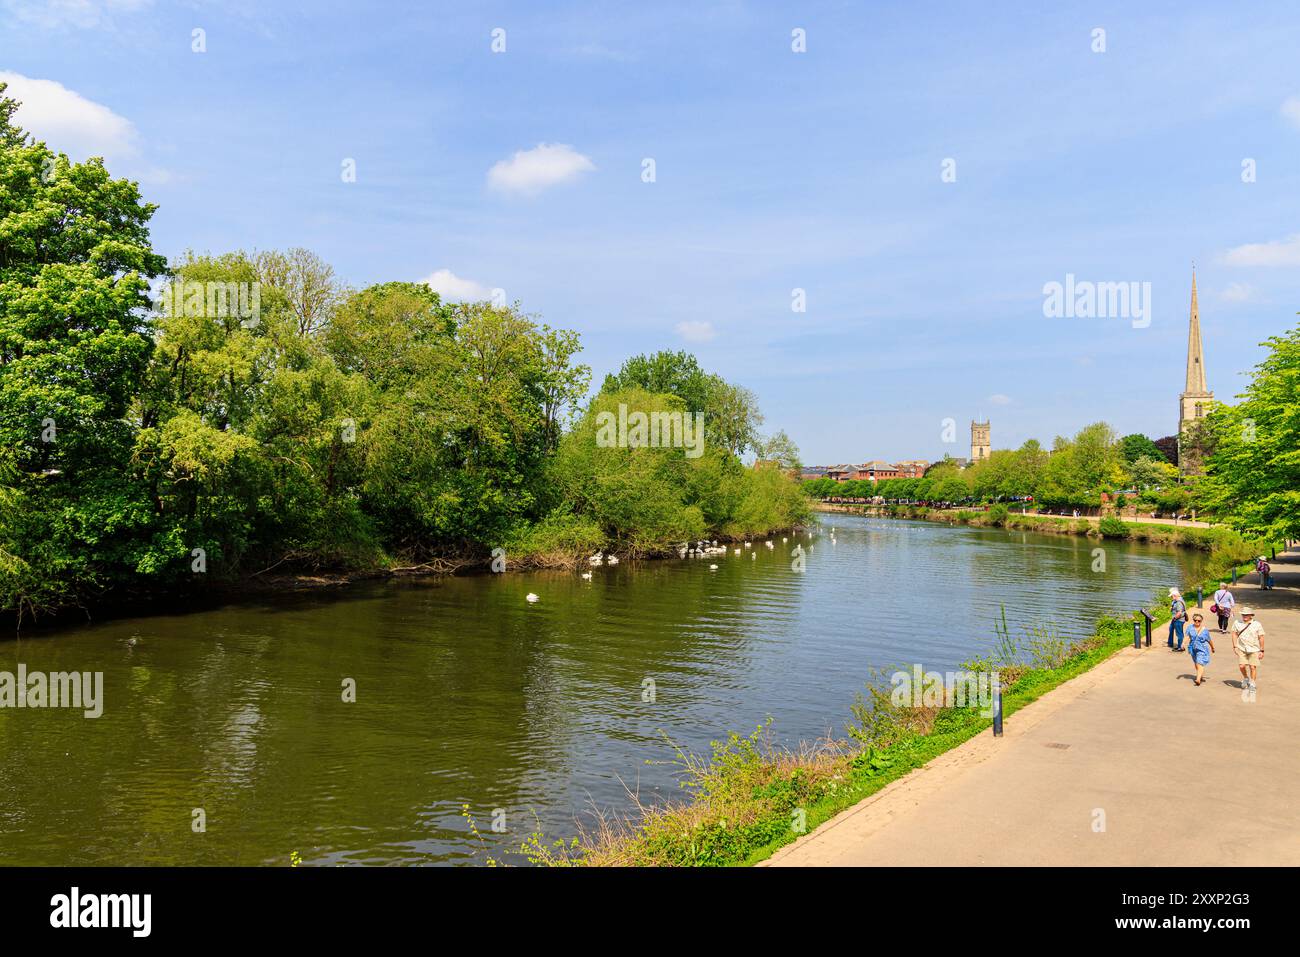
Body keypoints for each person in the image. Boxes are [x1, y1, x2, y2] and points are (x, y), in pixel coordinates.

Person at [1231, 607, 1265, 695]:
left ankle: (1252, 683)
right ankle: (1246, 678)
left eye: (1246, 614)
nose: (1244, 616)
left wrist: (1262, 650)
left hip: (1254, 649)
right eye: (1243, 614)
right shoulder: (1237, 623)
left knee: (1252, 667)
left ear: (1251, 615)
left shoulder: (1257, 624)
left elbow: (1261, 637)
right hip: (1242, 648)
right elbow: (1234, 634)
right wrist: (1235, 646)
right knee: (1242, 666)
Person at [1185, 613, 1214, 686]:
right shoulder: (1190, 628)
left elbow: (1209, 640)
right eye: (1195, 620)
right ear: (1193, 620)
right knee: (1196, 663)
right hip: (1192, 648)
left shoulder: (1205, 630)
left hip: (1202, 649)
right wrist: (1183, 643)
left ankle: (1198, 679)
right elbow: (1187, 636)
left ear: (1201, 621)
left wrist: (1212, 647)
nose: (1197, 622)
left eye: (1199, 621)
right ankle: (1201, 675)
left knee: (1199, 662)